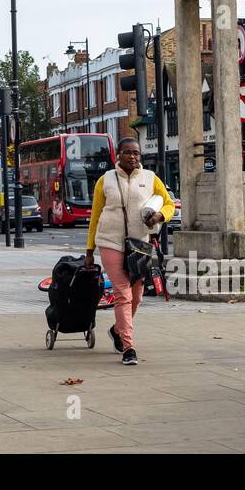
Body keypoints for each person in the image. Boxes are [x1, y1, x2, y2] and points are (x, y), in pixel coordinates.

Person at [85, 137, 174, 366]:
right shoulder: (105, 181)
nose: (133, 157)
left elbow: (168, 203)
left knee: (136, 296)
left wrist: (160, 216)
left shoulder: (150, 178)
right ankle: (128, 347)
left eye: (136, 153)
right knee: (122, 294)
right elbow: (95, 216)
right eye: (127, 153)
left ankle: (117, 330)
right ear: (118, 155)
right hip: (110, 241)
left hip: (139, 244)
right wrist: (89, 250)